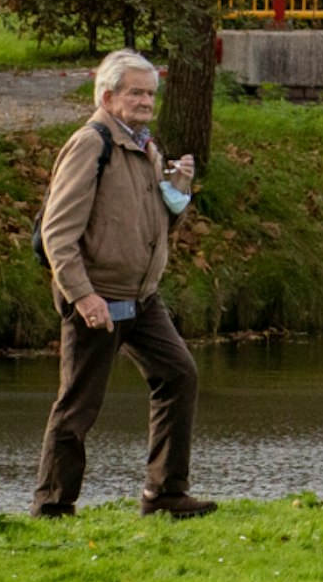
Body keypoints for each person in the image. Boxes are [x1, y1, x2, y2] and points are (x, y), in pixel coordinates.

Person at [32, 51, 209, 521]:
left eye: (150, 93)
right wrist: (83, 296)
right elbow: (57, 232)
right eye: (135, 92)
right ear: (107, 96)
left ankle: (165, 493)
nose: (146, 101)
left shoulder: (146, 146)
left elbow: (159, 224)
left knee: (178, 375)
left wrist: (179, 191)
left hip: (142, 297)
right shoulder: (91, 143)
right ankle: (52, 506)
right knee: (78, 405)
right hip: (98, 296)